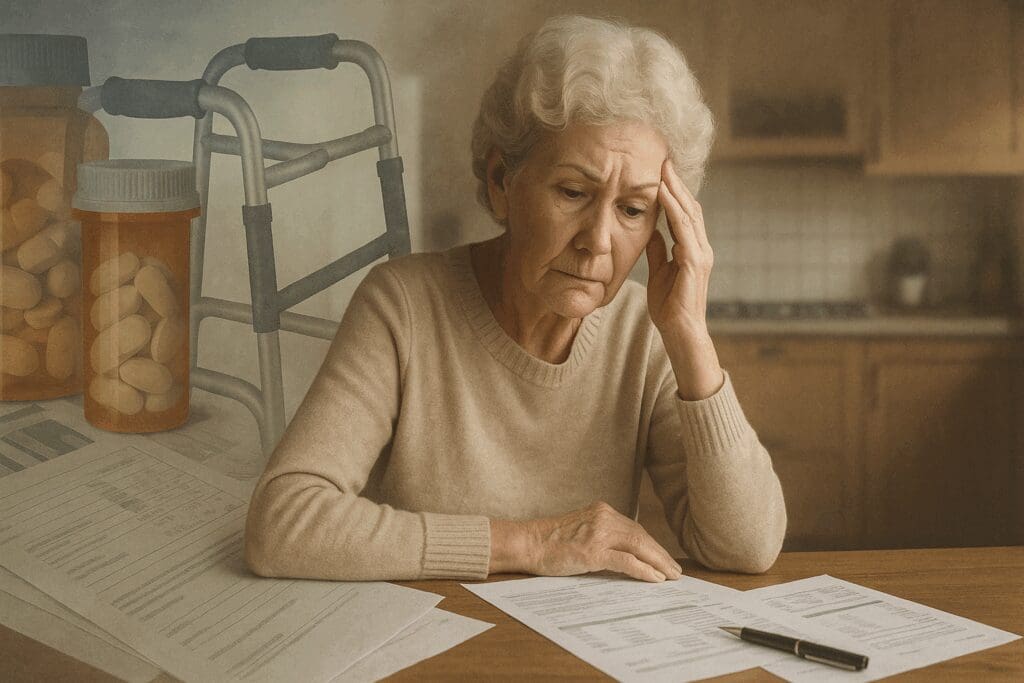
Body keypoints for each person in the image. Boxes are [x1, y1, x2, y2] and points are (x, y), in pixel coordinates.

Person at [244, 14, 786, 583]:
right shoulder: (402, 306)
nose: (598, 241)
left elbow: (747, 548)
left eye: (632, 210)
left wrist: (690, 338)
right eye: (574, 192)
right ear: (503, 182)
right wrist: (530, 544)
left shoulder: (644, 331)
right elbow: (281, 524)